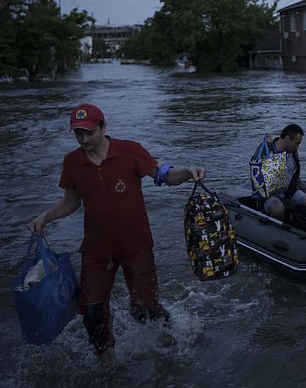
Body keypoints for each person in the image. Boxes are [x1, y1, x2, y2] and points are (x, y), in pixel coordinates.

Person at [31, 103, 205, 362]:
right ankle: (107, 364)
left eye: (89, 132)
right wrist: (45, 216)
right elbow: (71, 200)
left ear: (103, 127)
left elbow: (164, 176)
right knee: (92, 316)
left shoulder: (130, 151)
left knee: (144, 310)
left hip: (136, 246)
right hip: (97, 251)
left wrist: (188, 173)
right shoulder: (72, 162)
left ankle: (172, 335)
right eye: (78, 134)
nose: (84, 139)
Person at [252, 123, 306, 221]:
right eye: (296, 143)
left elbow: (295, 175)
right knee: (277, 209)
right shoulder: (265, 151)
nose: (298, 147)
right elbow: (256, 177)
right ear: (287, 138)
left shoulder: (293, 152)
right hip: (270, 196)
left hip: (290, 193)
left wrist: (305, 190)